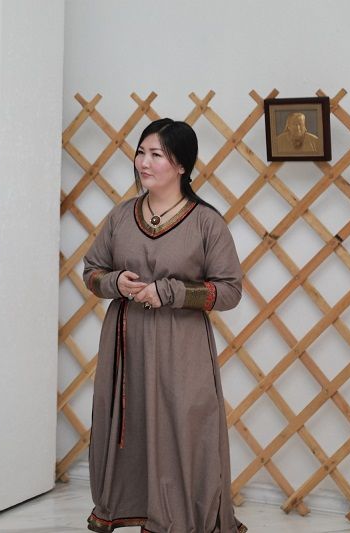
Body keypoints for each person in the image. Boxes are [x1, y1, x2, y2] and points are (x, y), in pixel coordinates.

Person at [83, 118, 246, 533]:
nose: (144, 162)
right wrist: (115, 283)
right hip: (127, 343)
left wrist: (170, 292)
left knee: (185, 426)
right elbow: (91, 272)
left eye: (156, 154)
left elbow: (229, 291)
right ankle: (131, 506)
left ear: (182, 165)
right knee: (130, 422)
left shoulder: (206, 222)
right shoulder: (121, 216)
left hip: (181, 345)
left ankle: (182, 517)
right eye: (141, 152)